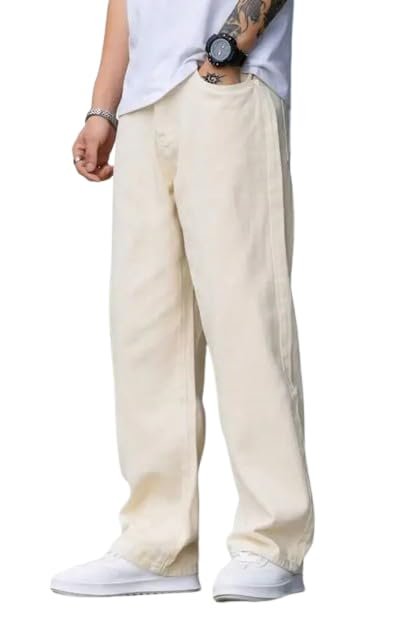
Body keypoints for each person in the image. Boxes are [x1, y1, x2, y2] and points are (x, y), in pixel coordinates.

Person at [51, 0, 314, 602]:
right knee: (145, 330)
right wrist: (103, 108)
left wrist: (227, 52)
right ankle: (156, 545)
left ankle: (272, 541)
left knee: (246, 319)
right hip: (145, 102)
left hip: (228, 87)